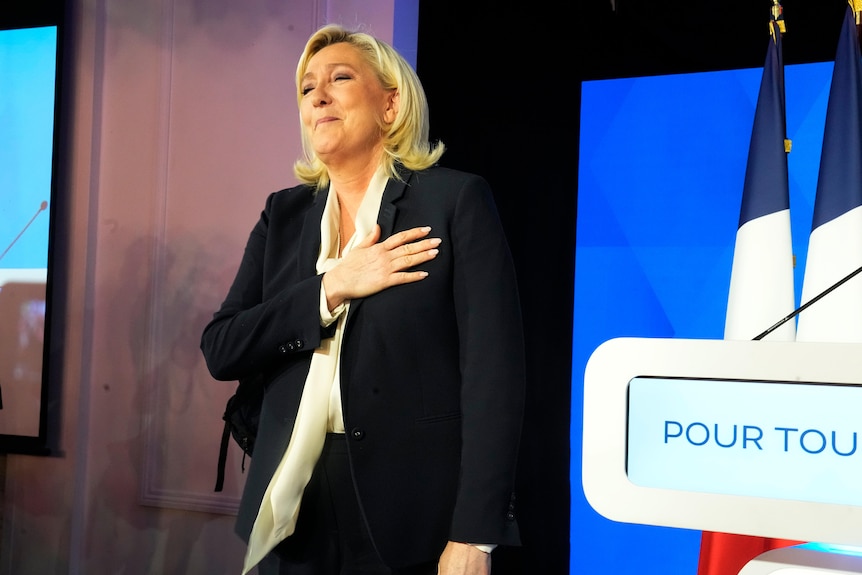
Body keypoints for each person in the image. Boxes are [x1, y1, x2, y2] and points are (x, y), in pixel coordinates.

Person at [200, 24, 525, 575]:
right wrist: (331, 287)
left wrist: (476, 533)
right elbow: (222, 348)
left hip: (413, 517)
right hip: (295, 509)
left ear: (391, 104)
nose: (318, 96)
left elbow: (494, 377)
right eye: (307, 88)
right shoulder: (282, 215)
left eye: (340, 78)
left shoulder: (454, 201)